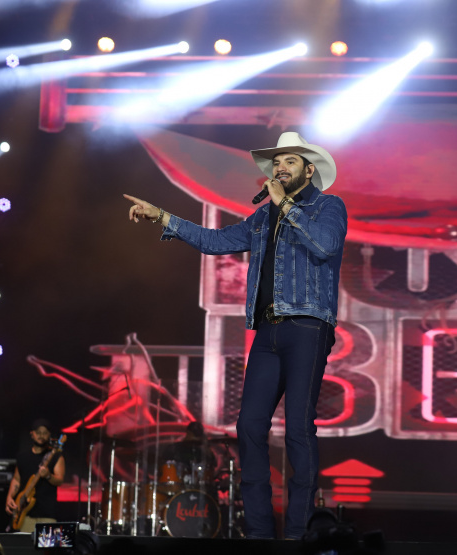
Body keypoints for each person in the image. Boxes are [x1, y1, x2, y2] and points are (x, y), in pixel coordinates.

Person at [122, 132, 347, 539]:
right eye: (276, 164)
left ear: (309, 170)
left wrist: (285, 205)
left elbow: (326, 245)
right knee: (248, 426)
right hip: (267, 330)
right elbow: (217, 241)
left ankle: (299, 531)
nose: (279, 169)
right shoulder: (262, 218)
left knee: (298, 427)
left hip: (308, 326)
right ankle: (260, 532)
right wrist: (164, 217)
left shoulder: (328, 206)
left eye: (289, 163)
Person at [5, 418, 66, 533]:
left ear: (49, 435)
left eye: (45, 433)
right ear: (32, 434)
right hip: (24, 516)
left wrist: (48, 476)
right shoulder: (22, 457)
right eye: (38, 432)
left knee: (47, 550)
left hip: (47, 515)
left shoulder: (56, 456)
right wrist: (9, 498)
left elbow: (60, 480)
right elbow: (16, 479)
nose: (41, 436)